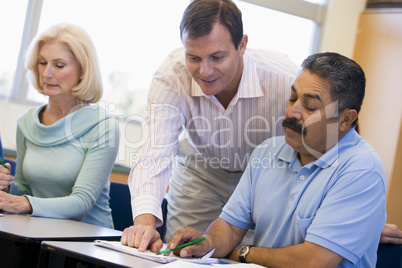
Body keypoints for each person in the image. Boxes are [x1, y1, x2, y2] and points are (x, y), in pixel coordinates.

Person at [167, 52, 387, 267]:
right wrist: (208, 243)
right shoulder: (268, 151)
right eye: (293, 98)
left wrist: (243, 253)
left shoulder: (362, 169)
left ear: (345, 120)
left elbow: (314, 261)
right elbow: (231, 227)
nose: (293, 112)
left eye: (310, 107)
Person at [121, 0, 300, 251]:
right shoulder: (172, 75)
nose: (205, 71)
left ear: (241, 46)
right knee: (182, 250)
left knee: (249, 255)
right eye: (193, 57)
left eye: (217, 57)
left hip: (263, 176)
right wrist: (144, 224)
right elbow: (153, 151)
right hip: (200, 170)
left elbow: (331, 138)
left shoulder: (285, 78)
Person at [0, 23, 120, 228]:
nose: (46, 73)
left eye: (59, 65)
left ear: (83, 70)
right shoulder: (26, 122)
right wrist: (8, 188)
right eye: (42, 62)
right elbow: (24, 188)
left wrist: (23, 203)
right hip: (36, 232)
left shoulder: (103, 126)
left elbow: (81, 202)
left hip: (87, 244)